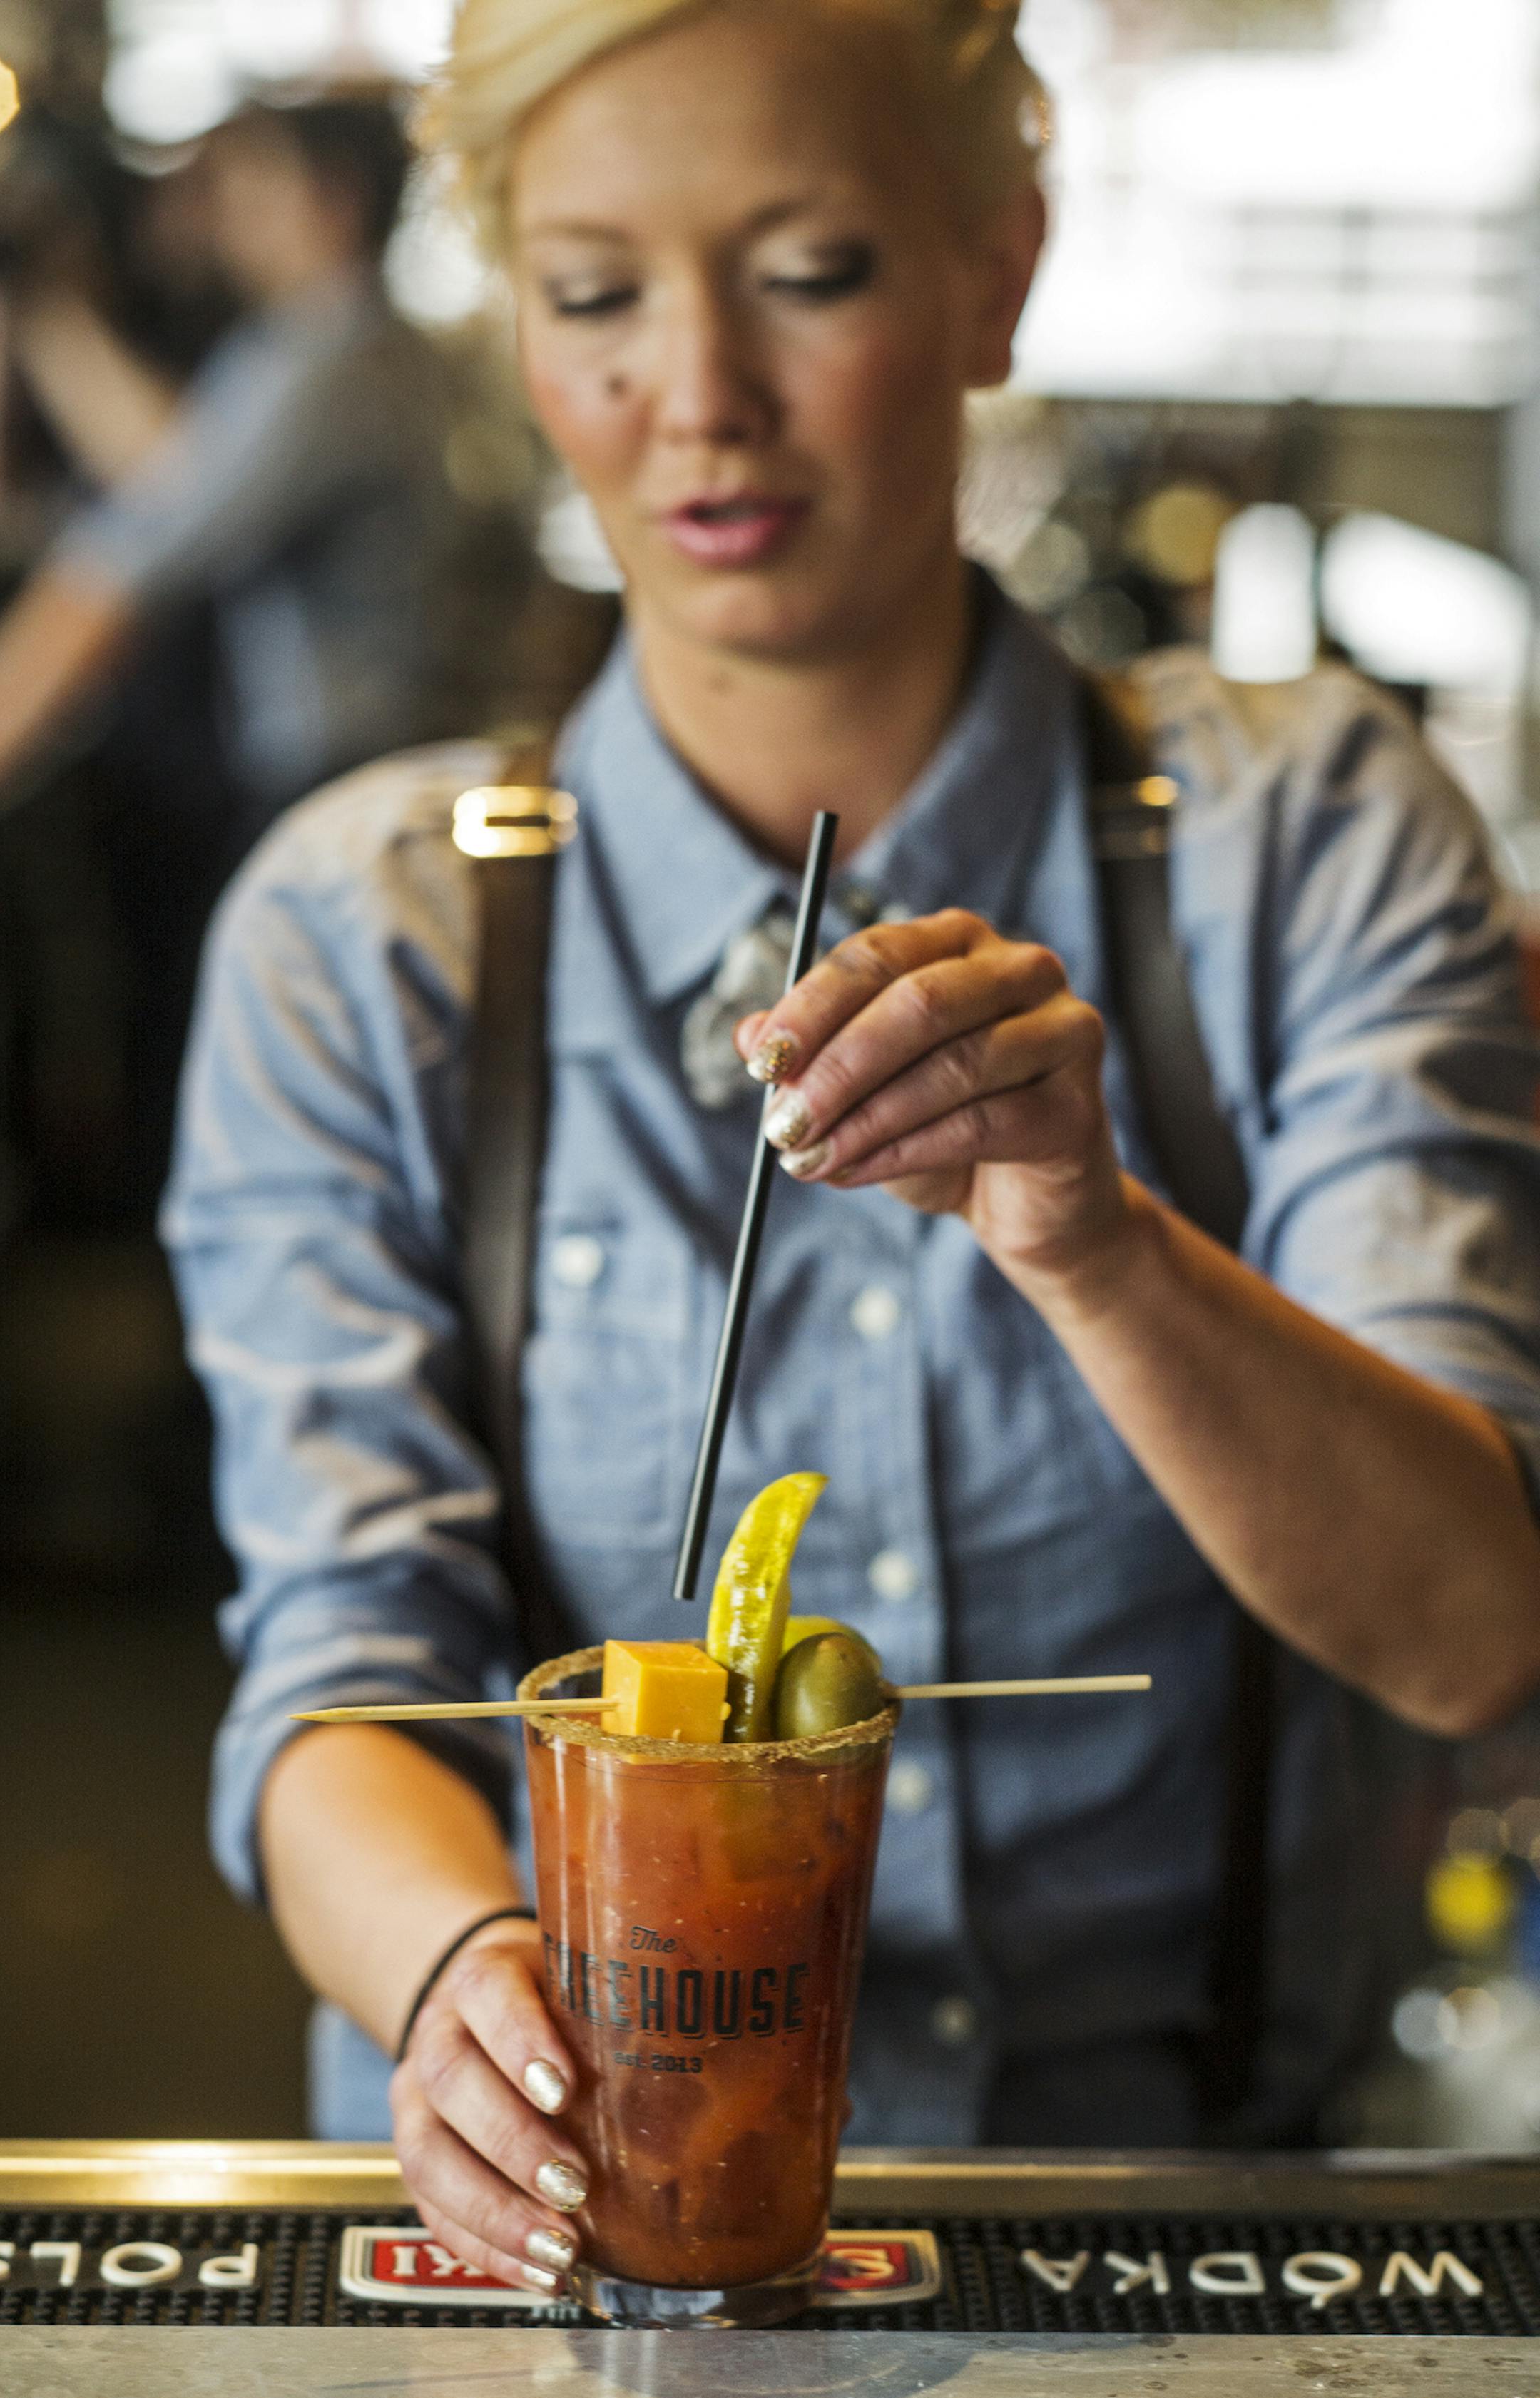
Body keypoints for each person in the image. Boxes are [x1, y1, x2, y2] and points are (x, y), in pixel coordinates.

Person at [163, 0, 1540, 2300]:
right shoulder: (360, 934)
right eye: (597, 294)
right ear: (516, 323)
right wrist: (458, 1987)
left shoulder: (1302, 836)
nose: (697, 396)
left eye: (809, 272)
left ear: (1000, 267)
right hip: (592, 2245)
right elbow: (340, 1681)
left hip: (1171, 2227)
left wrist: (1098, 1246)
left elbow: (1477, 1632)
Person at [0, 91, 493, 837]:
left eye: (253, 189)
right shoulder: (372, 345)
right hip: (376, 753)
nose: (225, 218)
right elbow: (177, 468)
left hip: (339, 776)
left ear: (335, 201)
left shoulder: (325, 360)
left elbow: (129, 558)